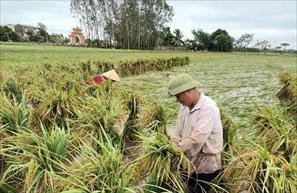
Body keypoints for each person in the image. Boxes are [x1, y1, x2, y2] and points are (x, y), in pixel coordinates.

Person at [167, 74, 223, 193]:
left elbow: (197, 139)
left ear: (188, 91)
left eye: (178, 96)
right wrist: (170, 148)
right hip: (187, 161)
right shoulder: (184, 107)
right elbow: (178, 133)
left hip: (205, 165)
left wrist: (176, 151)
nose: (178, 100)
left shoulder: (208, 107)